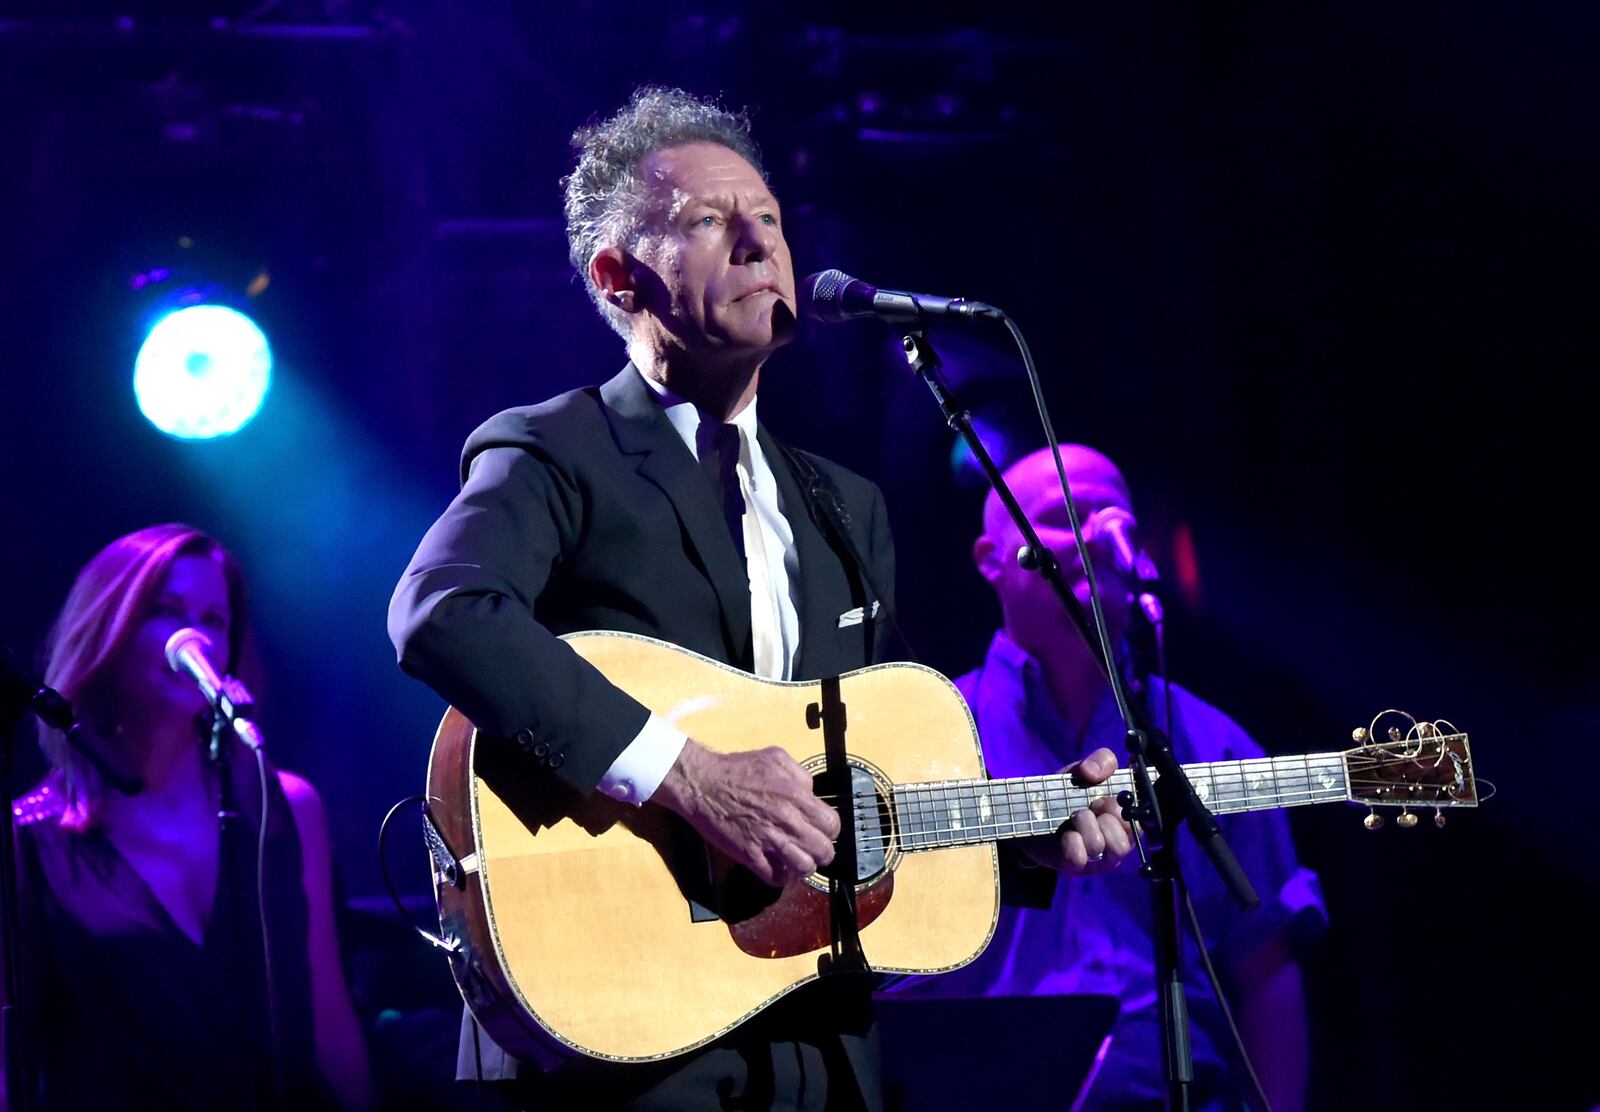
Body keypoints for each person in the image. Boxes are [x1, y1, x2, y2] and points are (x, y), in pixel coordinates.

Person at [386, 87, 1133, 1110]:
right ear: (618, 275)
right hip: (616, 1021)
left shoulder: (845, 507)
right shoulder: (555, 449)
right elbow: (442, 608)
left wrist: (1025, 838)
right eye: (707, 222)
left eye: (769, 220)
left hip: (816, 1036)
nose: (757, 244)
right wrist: (685, 773)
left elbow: (845, 799)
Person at [889, 444, 1326, 1111]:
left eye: (1110, 513)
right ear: (991, 559)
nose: (1095, 531)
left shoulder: (1218, 745)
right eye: (1064, 514)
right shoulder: (921, 738)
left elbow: (1266, 970)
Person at [4, 524, 372, 1110]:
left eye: (214, 620)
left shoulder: (286, 809)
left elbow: (332, 1030)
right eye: (166, 611)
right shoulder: (29, 842)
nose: (193, 636)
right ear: (111, 628)